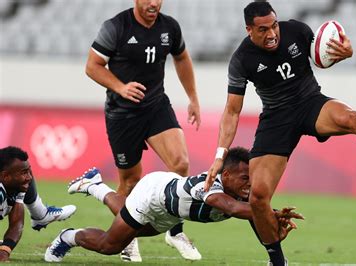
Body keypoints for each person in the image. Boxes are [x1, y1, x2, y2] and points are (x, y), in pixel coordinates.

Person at [205, 2, 356, 265]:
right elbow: (232, 111)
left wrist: (345, 52)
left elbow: (323, 56)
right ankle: (277, 260)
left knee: (352, 118)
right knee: (258, 197)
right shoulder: (241, 60)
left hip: (310, 103)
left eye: (274, 26)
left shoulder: (296, 31)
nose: (272, 34)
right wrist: (219, 155)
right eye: (263, 30)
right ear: (249, 30)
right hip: (276, 119)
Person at [85, 0, 201, 261]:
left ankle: (175, 231)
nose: (153, 3)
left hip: (156, 106)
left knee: (180, 164)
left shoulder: (169, 27)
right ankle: (126, 237)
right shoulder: (116, 27)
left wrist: (193, 98)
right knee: (130, 181)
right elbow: (92, 66)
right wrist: (120, 87)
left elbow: (181, 57)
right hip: (123, 114)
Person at [44, 147, 303, 263]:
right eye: (245, 178)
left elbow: (254, 216)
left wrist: (276, 257)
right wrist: (272, 214)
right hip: (151, 196)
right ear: (226, 176)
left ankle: (95, 185)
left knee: (129, 224)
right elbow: (235, 210)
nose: (250, 184)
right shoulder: (209, 185)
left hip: (169, 215)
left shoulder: (246, 195)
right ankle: (69, 236)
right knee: (111, 245)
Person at [0, 146, 76, 262]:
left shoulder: (16, 185)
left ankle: (41, 214)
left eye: (29, 171)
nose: (29, 177)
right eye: (24, 173)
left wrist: (4, 251)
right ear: (5, 176)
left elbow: (17, 224)